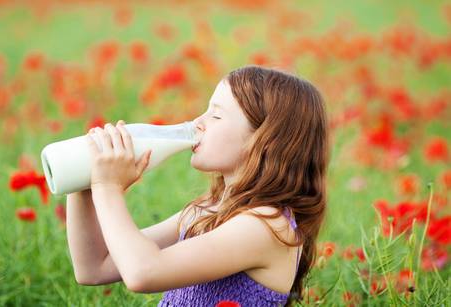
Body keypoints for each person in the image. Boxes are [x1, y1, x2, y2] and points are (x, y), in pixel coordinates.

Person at [66, 65, 329, 307]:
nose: (196, 123)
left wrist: (108, 187)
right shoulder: (208, 209)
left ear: (265, 140)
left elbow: (142, 273)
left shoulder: (266, 225)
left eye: (215, 115)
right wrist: (84, 180)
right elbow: (94, 267)